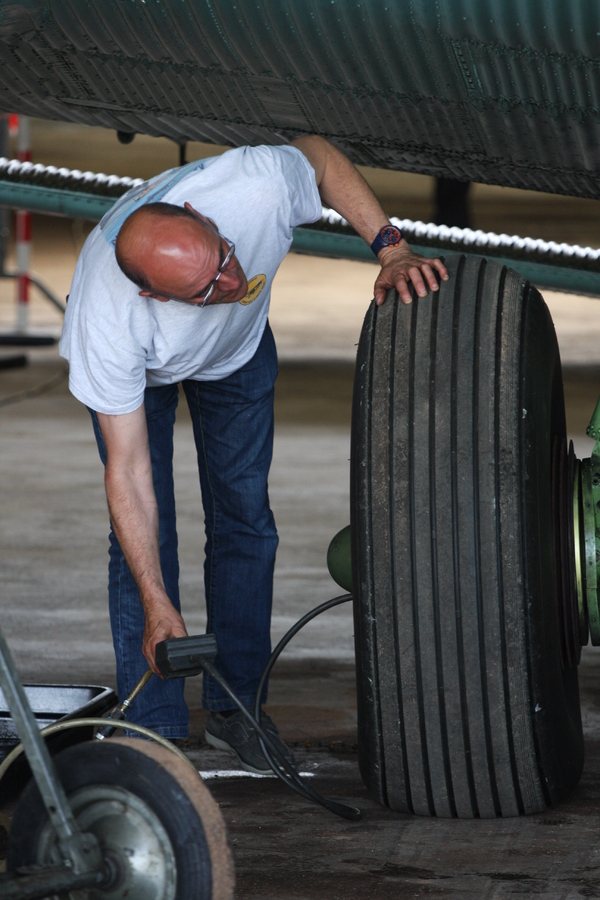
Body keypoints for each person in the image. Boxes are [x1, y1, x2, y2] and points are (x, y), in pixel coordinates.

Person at [59, 135, 448, 772]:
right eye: (206, 288)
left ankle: (238, 709)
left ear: (208, 220)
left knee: (245, 520)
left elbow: (321, 159)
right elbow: (126, 472)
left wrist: (392, 249)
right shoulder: (108, 324)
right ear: (155, 297)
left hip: (237, 358)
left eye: (225, 259)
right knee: (142, 548)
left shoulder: (254, 185)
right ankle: (153, 725)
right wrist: (160, 603)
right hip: (143, 369)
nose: (232, 280)